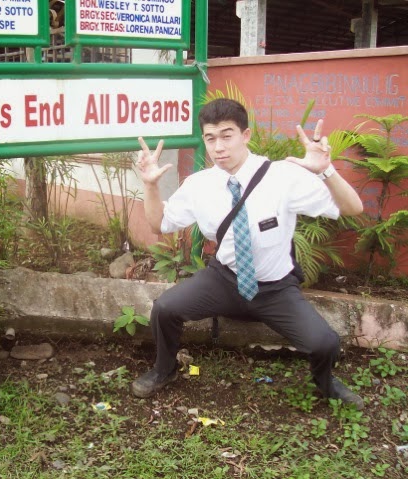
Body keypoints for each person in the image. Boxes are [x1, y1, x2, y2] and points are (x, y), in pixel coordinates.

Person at [132, 98, 365, 409]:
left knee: (325, 343)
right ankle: (165, 369)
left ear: (245, 135)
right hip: (224, 279)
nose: (218, 147)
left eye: (226, 135)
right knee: (165, 308)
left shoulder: (283, 177)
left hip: (275, 288)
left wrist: (326, 171)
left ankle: (325, 382)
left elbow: (353, 208)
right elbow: (158, 224)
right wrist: (150, 186)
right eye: (210, 138)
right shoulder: (199, 185)